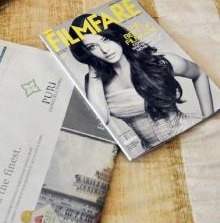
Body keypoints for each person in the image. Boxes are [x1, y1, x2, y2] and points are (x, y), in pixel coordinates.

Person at [69, 14, 214, 149]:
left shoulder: (157, 62)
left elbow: (199, 72)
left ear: (115, 35)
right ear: (86, 52)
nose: (105, 50)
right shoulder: (95, 81)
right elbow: (100, 120)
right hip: (153, 152)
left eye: (105, 39)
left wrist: (209, 118)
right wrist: (94, 72)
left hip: (191, 133)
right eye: (92, 47)